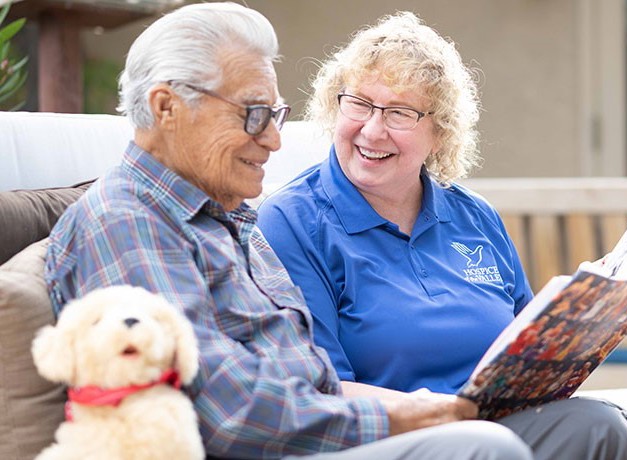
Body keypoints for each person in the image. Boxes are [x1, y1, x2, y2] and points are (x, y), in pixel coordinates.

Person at [43, 3, 532, 459]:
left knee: (593, 426)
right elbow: (231, 414)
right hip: (296, 449)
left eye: (275, 116)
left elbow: (305, 377)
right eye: (255, 115)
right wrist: (407, 413)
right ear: (167, 107)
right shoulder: (128, 223)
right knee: (486, 448)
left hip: (326, 435)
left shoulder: (222, 219)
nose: (275, 141)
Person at [257, 11, 627, 460]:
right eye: (358, 104)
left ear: (439, 133)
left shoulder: (473, 216)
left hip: (491, 423)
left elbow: (524, 347)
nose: (372, 129)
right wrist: (439, 411)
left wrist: (583, 330)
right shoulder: (292, 220)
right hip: (390, 437)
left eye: (399, 112)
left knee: (600, 426)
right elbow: (319, 387)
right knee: (490, 446)